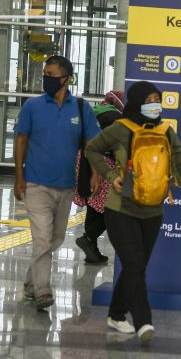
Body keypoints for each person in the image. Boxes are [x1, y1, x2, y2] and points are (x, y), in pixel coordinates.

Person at [85, 81, 181, 345]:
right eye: (149, 100)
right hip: (120, 209)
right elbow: (91, 149)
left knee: (134, 266)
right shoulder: (120, 129)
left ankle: (115, 315)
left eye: (157, 99)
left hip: (152, 210)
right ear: (138, 102)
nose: (155, 105)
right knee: (136, 265)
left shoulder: (165, 131)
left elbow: (180, 166)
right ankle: (143, 321)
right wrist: (110, 175)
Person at [14, 55, 101, 309]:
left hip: (65, 186)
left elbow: (92, 143)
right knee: (42, 239)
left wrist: (95, 172)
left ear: (66, 79)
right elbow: (21, 141)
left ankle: (31, 283)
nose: (46, 79)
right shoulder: (33, 106)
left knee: (54, 240)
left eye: (51, 75)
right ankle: (42, 291)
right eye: (45, 74)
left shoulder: (82, 108)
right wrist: (20, 177)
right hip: (36, 184)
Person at [74, 90, 125, 263]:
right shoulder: (115, 117)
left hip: (84, 160)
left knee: (94, 204)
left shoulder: (99, 111)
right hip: (103, 164)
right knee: (112, 206)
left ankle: (92, 249)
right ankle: (88, 238)